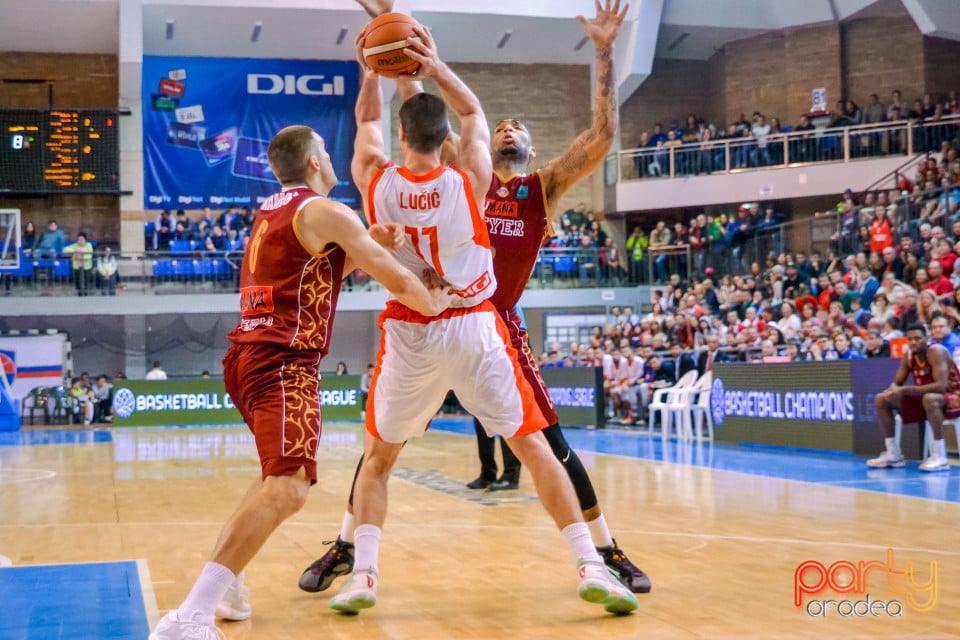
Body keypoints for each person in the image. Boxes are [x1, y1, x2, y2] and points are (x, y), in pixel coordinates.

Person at [301, 0, 650, 600]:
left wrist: (603, 49)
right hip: (466, 321)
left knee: (549, 446)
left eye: (522, 129)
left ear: (532, 152)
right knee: (388, 450)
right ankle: (346, 543)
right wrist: (402, 39)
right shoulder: (468, 174)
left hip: (489, 322)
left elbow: (600, 135)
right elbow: (436, 111)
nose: (509, 129)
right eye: (503, 125)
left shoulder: (541, 186)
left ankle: (605, 548)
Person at [149, 123, 457, 638]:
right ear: (314, 162)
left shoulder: (276, 210)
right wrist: (441, 307)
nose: (333, 160)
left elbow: (312, 270)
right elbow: (398, 277)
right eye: (327, 153)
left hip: (247, 356)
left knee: (273, 479)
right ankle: (189, 615)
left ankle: (224, 587)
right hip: (283, 360)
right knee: (290, 489)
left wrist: (359, 247)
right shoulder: (328, 212)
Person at [868, 323, 958, 472]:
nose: (913, 342)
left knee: (930, 398)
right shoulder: (908, 356)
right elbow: (897, 383)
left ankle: (940, 456)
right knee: (881, 399)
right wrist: (891, 391)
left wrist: (905, 390)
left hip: (953, 397)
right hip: (926, 399)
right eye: (909, 339)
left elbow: (941, 387)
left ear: (927, 338)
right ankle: (893, 454)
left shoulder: (936, 351)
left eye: (917, 338)